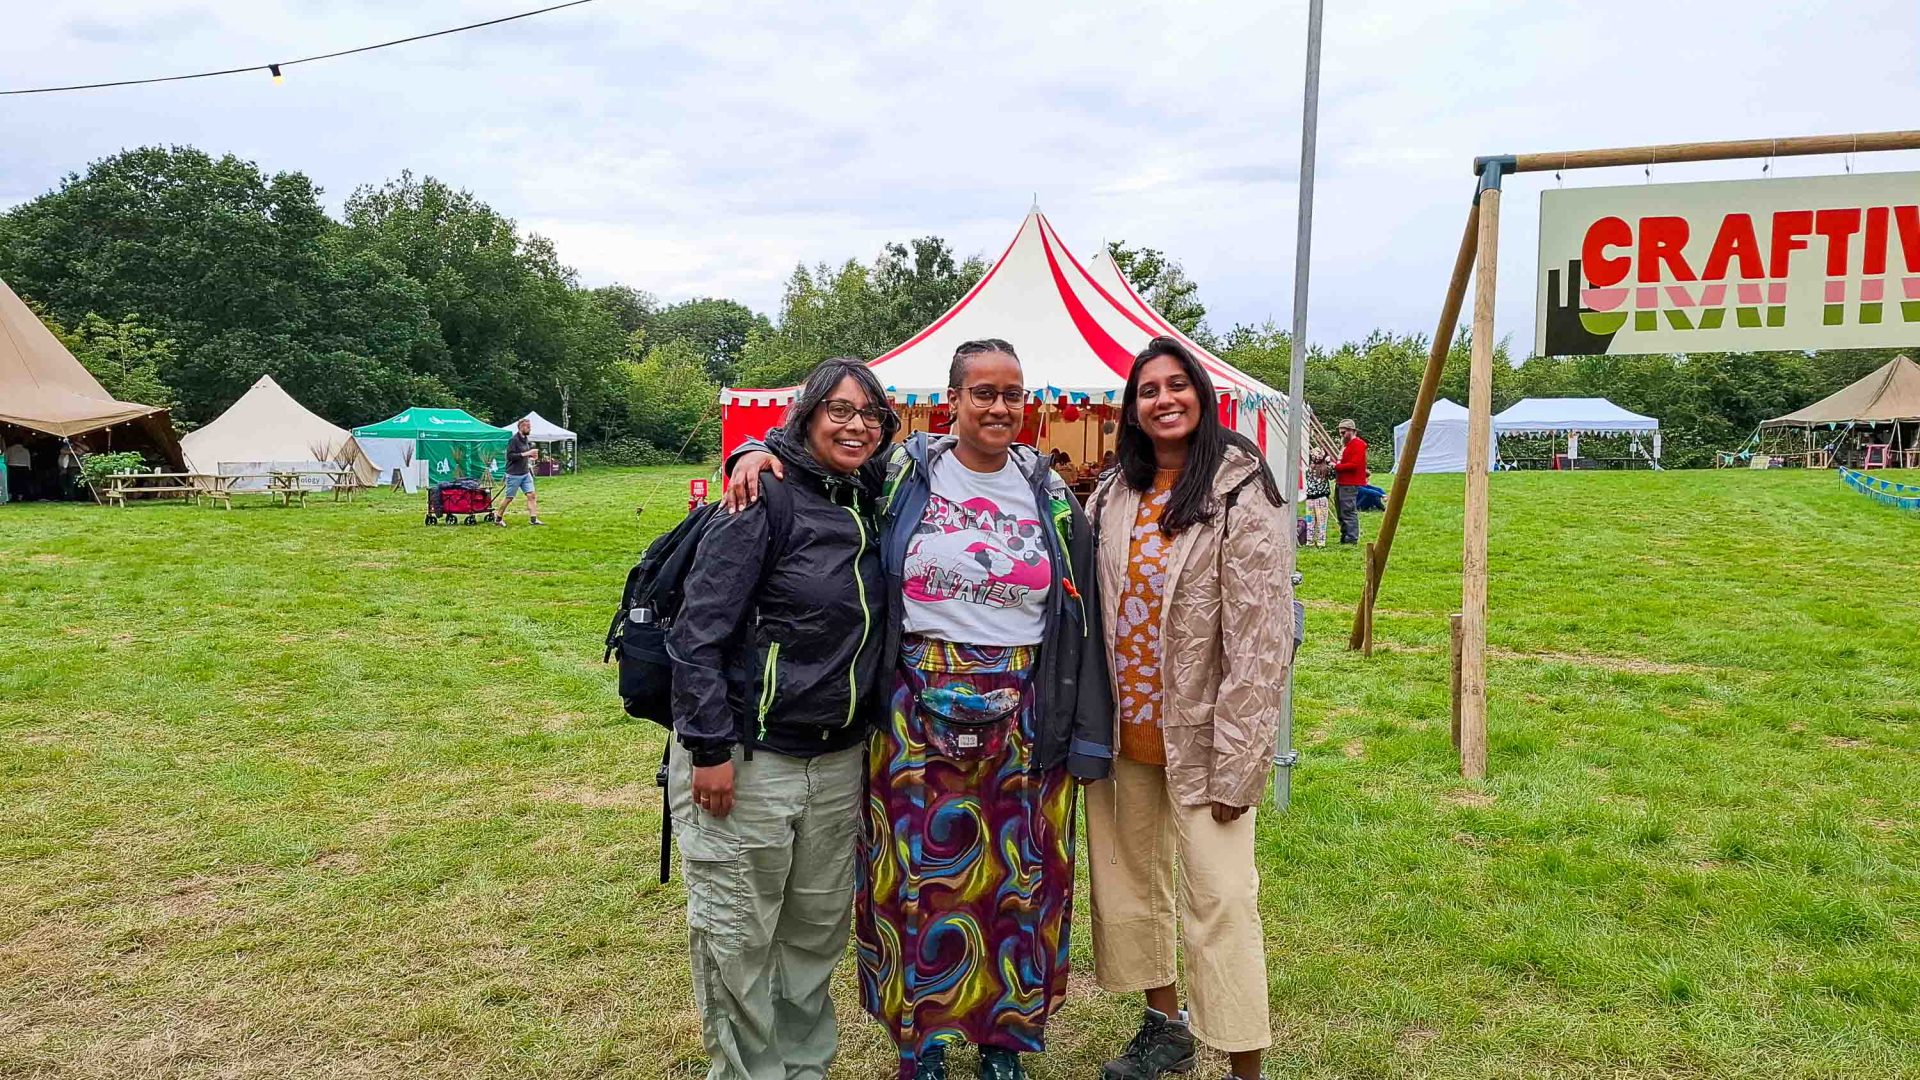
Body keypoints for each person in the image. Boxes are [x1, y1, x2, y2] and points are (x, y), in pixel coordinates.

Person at [725, 339, 1112, 1080]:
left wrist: (1082, 730)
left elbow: (1082, 614)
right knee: (917, 878)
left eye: (1013, 393)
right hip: (912, 710)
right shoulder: (903, 475)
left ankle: (1004, 1043)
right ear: (951, 403)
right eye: (983, 393)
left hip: (1025, 711)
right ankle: (923, 1043)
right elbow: (816, 458)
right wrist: (749, 449)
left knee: (1014, 880)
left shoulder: (1051, 494)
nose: (1000, 407)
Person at [667, 358, 898, 1080]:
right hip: (749, 760)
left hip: (836, 763)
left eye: (870, 413)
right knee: (738, 939)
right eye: (838, 410)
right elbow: (697, 634)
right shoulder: (760, 499)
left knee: (811, 940)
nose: (855, 425)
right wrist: (708, 748)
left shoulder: (872, 500)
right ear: (805, 417)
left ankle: (804, 1069)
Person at [1084, 337, 1293, 1080]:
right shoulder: (1113, 494)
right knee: (1131, 889)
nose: (1163, 399)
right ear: (1132, 411)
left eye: (1177, 385)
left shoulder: (1240, 489)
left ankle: (1243, 1065)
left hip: (1207, 742)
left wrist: (1241, 762)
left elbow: (1263, 638)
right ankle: (1163, 1025)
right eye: (1148, 390)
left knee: (1223, 902)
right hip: (1122, 736)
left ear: (1201, 394)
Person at [497, 418, 544, 525]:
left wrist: (531, 457)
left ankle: (533, 519)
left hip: (525, 473)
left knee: (531, 495)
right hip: (514, 474)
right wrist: (527, 454)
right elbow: (510, 456)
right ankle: (498, 518)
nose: (529, 428)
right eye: (528, 426)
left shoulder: (525, 439)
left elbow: (524, 454)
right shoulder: (513, 440)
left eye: (530, 426)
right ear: (521, 427)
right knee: (509, 498)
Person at [1333, 418, 1368, 544]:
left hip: (1349, 482)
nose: (1341, 435)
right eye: (1340, 432)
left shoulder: (1358, 444)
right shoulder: (1346, 445)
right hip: (1342, 481)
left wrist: (1336, 466)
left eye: (1344, 432)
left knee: (1348, 510)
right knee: (1341, 510)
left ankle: (1351, 538)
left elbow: (1354, 465)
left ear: (1352, 431)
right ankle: (1345, 535)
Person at [1302, 446, 1332, 547]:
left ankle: (1309, 541)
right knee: (1321, 520)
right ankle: (1321, 541)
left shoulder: (1308, 469)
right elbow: (1333, 476)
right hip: (1321, 498)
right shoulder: (1326, 469)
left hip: (1309, 498)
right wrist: (1328, 463)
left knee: (1310, 520)